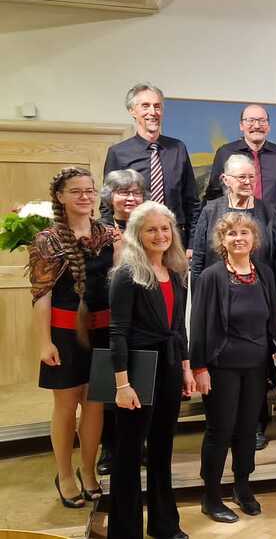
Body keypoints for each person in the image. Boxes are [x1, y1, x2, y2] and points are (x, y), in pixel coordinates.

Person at [29, 167, 117, 509]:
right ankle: (65, 475)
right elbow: (42, 295)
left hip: (103, 332)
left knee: (95, 405)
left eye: (90, 190)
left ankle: (88, 470)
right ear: (60, 197)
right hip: (64, 335)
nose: (85, 196)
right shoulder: (47, 240)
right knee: (66, 407)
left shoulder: (109, 234)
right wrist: (44, 342)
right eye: (76, 191)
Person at [191, 153, 276, 450]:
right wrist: (199, 297)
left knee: (259, 362)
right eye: (241, 177)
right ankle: (222, 425)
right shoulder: (211, 210)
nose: (247, 182)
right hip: (219, 297)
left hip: (259, 295)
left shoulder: (267, 210)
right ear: (225, 180)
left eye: (251, 176)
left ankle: (256, 424)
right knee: (221, 361)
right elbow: (199, 258)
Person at [108, 201, 195, 539]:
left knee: (162, 449)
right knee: (129, 455)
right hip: (137, 369)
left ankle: (164, 524)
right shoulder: (127, 274)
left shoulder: (176, 271)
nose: (160, 235)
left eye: (164, 228)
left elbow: (179, 327)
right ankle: (125, 531)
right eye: (151, 230)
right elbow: (117, 333)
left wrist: (185, 368)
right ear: (137, 234)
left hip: (170, 365)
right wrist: (122, 385)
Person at [190, 213, 276, 523]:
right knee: (220, 431)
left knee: (247, 429)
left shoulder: (264, 273)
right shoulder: (211, 276)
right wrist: (199, 367)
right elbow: (198, 324)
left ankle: (242, 487)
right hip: (221, 367)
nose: (239, 238)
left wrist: (273, 357)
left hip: (256, 367)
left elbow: (271, 320)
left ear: (254, 239)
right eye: (231, 234)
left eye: (244, 233)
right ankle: (211, 496)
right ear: (222, 241)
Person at [103, 83, 198, 246]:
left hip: (174, 238)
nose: (153, 112)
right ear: (132, 111)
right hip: (134, 238)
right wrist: (115, 240)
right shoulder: (118, 152)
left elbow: (192, 201)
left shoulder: (178, 148)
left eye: (157, 106)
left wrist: (192, 245)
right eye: (145, 106)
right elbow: (106, 204)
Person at [96, 169, 145, 475]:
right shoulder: (99, 231)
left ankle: (138, 445)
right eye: (123, 192)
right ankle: (109, 447)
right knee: (109, 384)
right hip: (108, 315)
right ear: (110, 197)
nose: (130, 198)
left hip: (142, 316)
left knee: (141, 379)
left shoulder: (149, 226)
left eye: (135, 192)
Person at [203, 104, 276, 236]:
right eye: (251, 121)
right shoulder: (225, 152)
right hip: (234, 229)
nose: (257, 126)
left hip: (271, 230)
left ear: (268, 126)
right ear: (241, 125)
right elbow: (213, 195)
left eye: (262, 121)